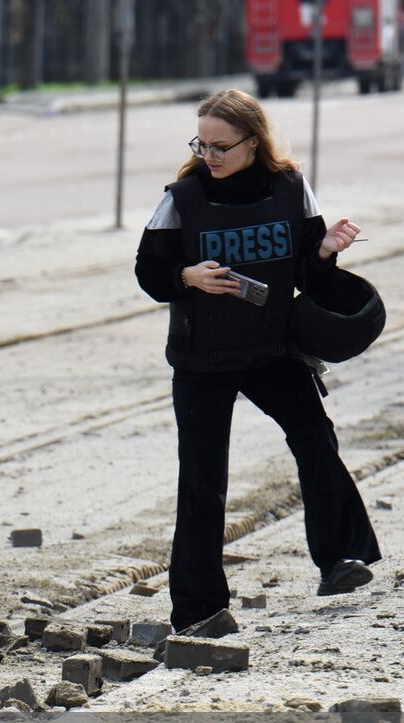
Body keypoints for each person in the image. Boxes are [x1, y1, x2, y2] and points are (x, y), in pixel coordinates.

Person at [135, 88, 380, 638]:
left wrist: (325, 252)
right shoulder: (183, 197)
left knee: (316, 441)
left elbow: (309, 279)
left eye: (221, 145)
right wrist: (186, 277)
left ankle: (340, 560)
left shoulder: (291, 188)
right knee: (202, 479)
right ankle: (199, 609)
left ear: (254, 142)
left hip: (272, 349)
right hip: (201, 358)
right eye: (202, 144)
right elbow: (150, 274)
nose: (209, 155)